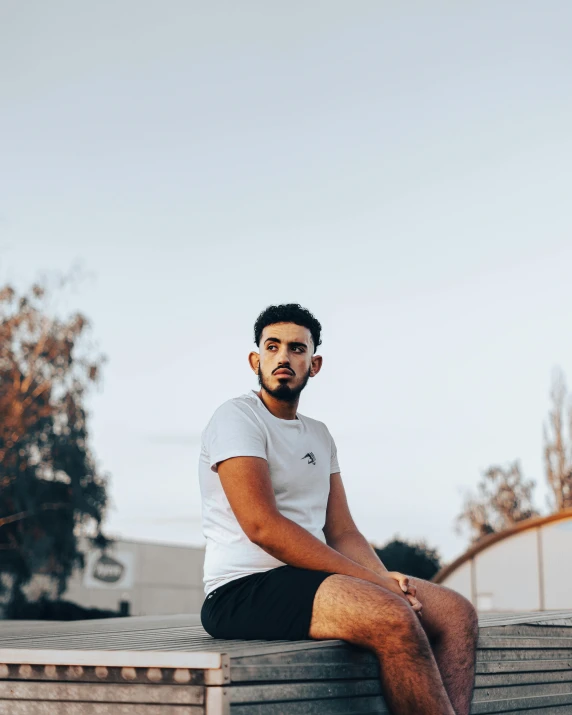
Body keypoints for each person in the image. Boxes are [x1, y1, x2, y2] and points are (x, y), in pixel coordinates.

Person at [199, 303, 478, 715]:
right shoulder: (236, 418)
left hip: (309, 579)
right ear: (255, 359)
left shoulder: (319, 434)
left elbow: (343, 532)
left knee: (456, 614)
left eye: (297, 349)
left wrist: (384, 578)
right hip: (241, 590)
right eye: (272, 346)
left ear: (314, 364)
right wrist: (376, 586)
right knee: (394, 617)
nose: (283, 357)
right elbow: (263, 527)